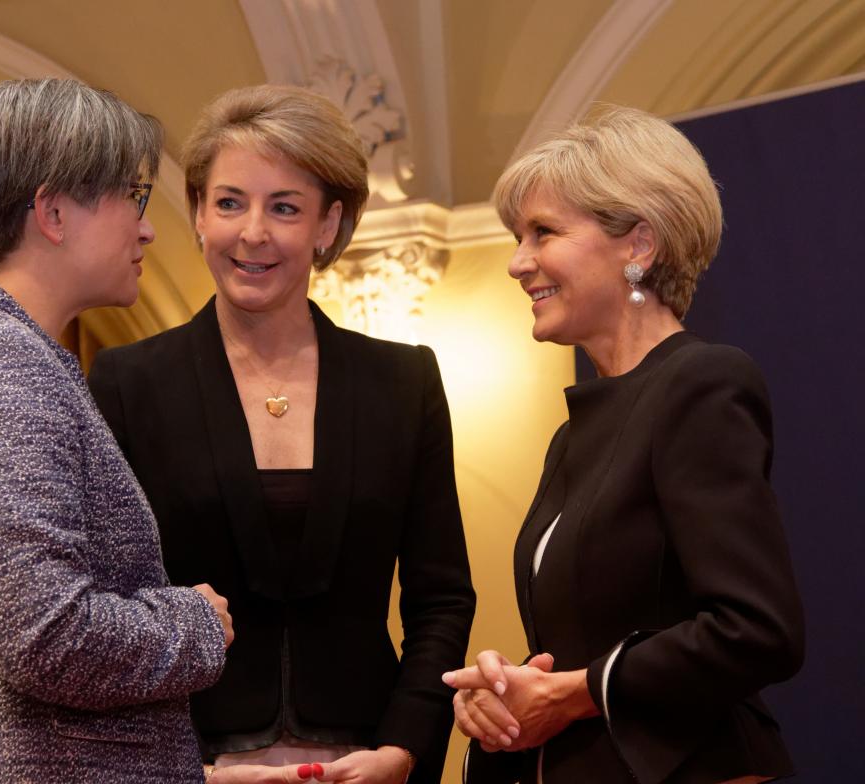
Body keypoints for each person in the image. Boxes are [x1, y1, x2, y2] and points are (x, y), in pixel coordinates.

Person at [87, 85, 476, 784]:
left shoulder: (402, 380)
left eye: (285, 208)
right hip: (192, 767)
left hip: (371, 763)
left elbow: (441, 598)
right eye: (230, 202)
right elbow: (105, 601)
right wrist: (179, 768)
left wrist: (402, 749)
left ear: (329, 225)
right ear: (200, 215)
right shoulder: (126, 382)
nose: (253, 232)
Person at [0, 78, 233, 783]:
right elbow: (50, 638)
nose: (147, 225)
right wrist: (196, 624)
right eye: (133, 196)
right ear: (54, 211)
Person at [443, 106, 805, 784]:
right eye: (518, 237)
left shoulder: (701, 383)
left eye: (542, 232)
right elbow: (592, 645)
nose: (518, 263)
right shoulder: (572, 434)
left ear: (638, 245)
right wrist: (511, 695)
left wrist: (572, 692)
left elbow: (758, 630)